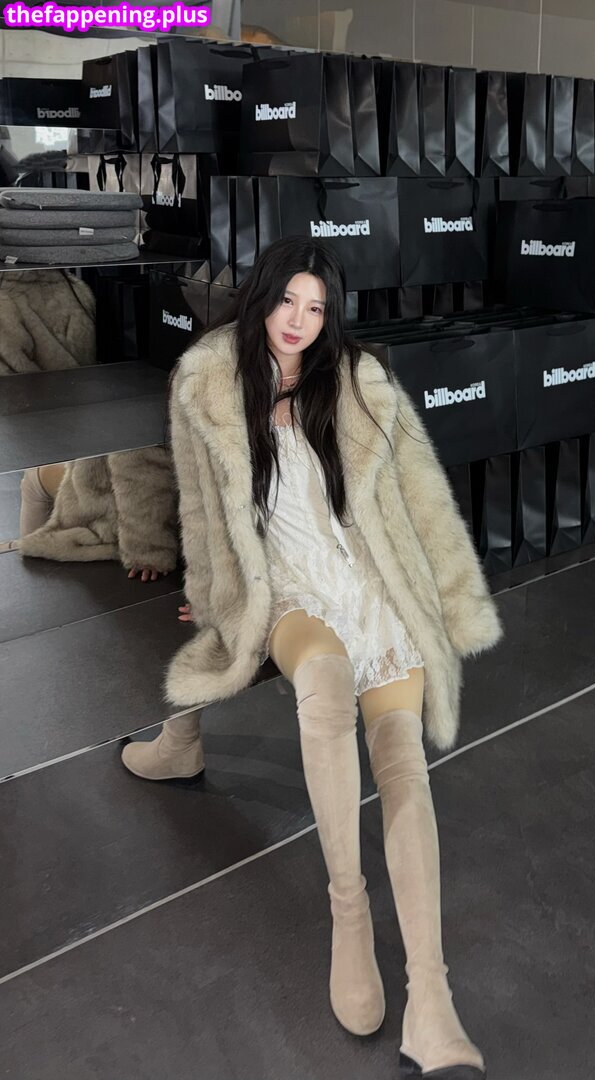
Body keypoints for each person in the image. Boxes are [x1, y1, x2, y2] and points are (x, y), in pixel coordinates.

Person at [121, 236, 503, 1079]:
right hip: (287, 589)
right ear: (262, 296)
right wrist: (216, 595)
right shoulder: (208, 383)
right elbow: (203, 512)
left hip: (372, 582)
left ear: (331, 317)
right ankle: (348, 911)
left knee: (402, 762)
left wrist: (450, 603)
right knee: (324, 683)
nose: (298, 321)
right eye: (287, 300)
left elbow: (423, 499)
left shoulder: (358, 383)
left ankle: (431, 997)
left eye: (316, 308)